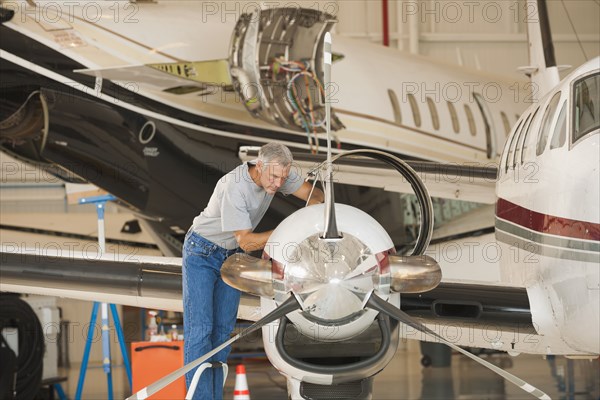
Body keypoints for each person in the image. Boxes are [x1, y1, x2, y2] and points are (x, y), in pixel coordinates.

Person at [182, 142, 324, 399]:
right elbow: (246, 242)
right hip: (202, 252)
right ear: (259, 166)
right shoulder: (234, 186)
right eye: (273, 177)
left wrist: (308, 216)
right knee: (201, 331)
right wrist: (291, 228)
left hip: (232, 257)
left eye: (283, 177)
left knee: (222, 334)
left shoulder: (278, 170)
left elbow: (317, 197)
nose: (278, 184)